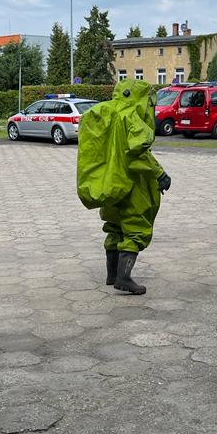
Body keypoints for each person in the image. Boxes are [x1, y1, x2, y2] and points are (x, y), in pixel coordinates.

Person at [77, 80, 171, 295]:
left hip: (110, 184)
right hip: (130, 186)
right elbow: (137, 154)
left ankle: (111, 275)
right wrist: (160, 174)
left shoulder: (105, 112)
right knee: (136, 229)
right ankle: (124, 277)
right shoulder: (130, 116)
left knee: (114, 227)